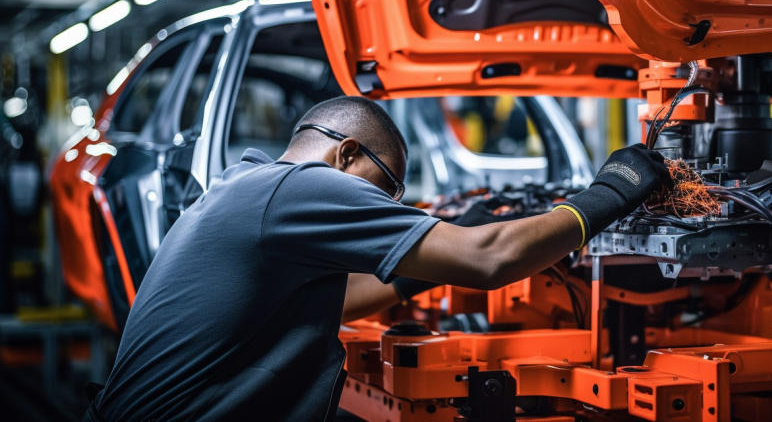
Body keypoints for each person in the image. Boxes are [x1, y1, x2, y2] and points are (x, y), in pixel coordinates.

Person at [84, 96, 669, 421]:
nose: (384, 207)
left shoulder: (250, 189)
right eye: (386, 191)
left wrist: (424, 259)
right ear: (347, 153)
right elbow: (490, 261)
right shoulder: (299, 187)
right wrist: (609, 195)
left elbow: (343, 299)